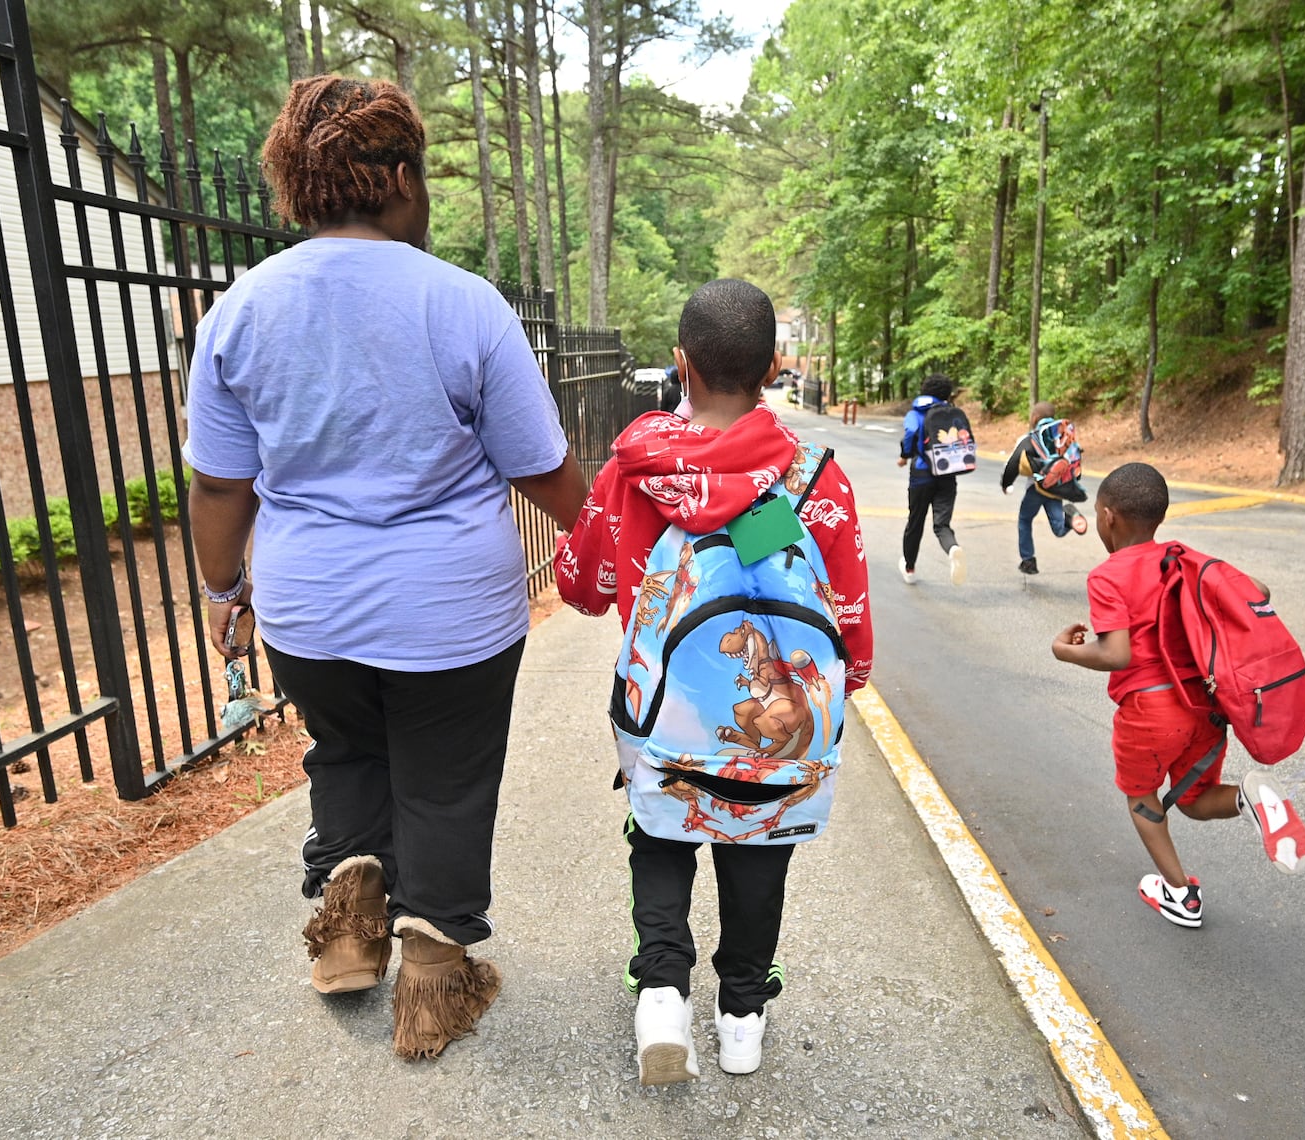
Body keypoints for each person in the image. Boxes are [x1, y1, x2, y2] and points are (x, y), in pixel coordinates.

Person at [181, 76, 587, 1058]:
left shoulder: (240, 313)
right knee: (446, 784)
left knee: (346, 753)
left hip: (311, 611)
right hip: (450, 612)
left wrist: (223, 590)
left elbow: (220, 488)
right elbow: (543, 470)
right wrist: (616, 546)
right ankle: (434, 982)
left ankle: (350, 934)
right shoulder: (463, 305)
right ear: (401, 177)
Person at [555, 279, 873, 1083]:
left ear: (681, 364)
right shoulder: (815, 477)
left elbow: (581, 585)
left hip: (661, 712)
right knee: (760, 842)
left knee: (659, 834)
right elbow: (850, 621)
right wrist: (848, 680)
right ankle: (741, 1015)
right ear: (772, 367)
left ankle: (661, 993)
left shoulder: (635, 469)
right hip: (777, 722)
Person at [1049, 462, 1305, 928]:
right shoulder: (1181, 556)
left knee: (1141, 798)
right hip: (1207, 708)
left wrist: (1064, 651)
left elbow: (1116, 654)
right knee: (1192, 798)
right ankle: (1250, 800)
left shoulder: (1107, 575)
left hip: (1151, 711)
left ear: (1108, 517)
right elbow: (1256, 591)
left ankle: (1181, 895)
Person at [1001, 401, 1087, 575]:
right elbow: (1074, 462)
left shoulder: (1031, 438)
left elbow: (1014, 462)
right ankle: (1071, 518)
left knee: (1025, 520)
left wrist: (1006, 483)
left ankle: (1028, 560)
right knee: (1058, 529)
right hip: (1058, 489)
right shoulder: (1062, 437)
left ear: (1034, 418)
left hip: (1036, 488)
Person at [897, 374, 967, 585]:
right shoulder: (952, 414)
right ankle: (952, 547)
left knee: (915, 521)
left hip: (921, 475)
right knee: (942, 524)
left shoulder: (915, 413)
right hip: (947, 474)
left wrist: (905, 455)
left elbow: (911, 431)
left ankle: (909, 568)